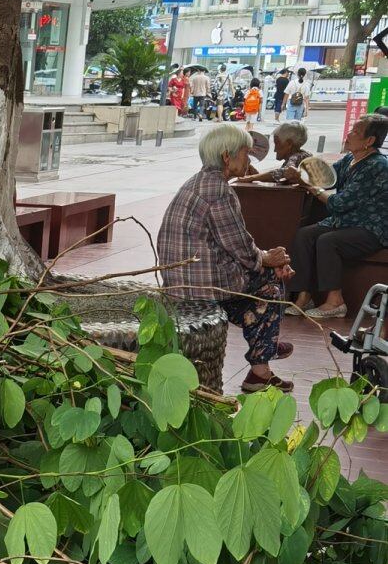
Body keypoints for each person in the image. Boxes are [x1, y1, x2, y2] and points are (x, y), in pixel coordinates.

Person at [157, 122, 294, 391]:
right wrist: (271, 259)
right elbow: (241, 248)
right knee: (271, 286)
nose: (249, 159)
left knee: (268, 272)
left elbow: (232, 246)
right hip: (200, 286)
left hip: (187, 278)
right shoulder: (218, 190)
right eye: (245, 153)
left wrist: (266, 259)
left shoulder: (200, 181)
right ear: (226, 157)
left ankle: (264, 342)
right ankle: (261, 363)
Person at [288, 111, 388, 319]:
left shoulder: (377, 166)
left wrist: (308, 185)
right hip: (345, 223)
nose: (348, 135)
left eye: (355, 132)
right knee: (304, 235)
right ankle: (304, 296)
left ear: (369, 141)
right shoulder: (350, 159)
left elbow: (339, 203)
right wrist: (300, 170)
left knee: (328, 241)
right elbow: (325, 177)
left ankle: (335, 301)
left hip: (370, 228)